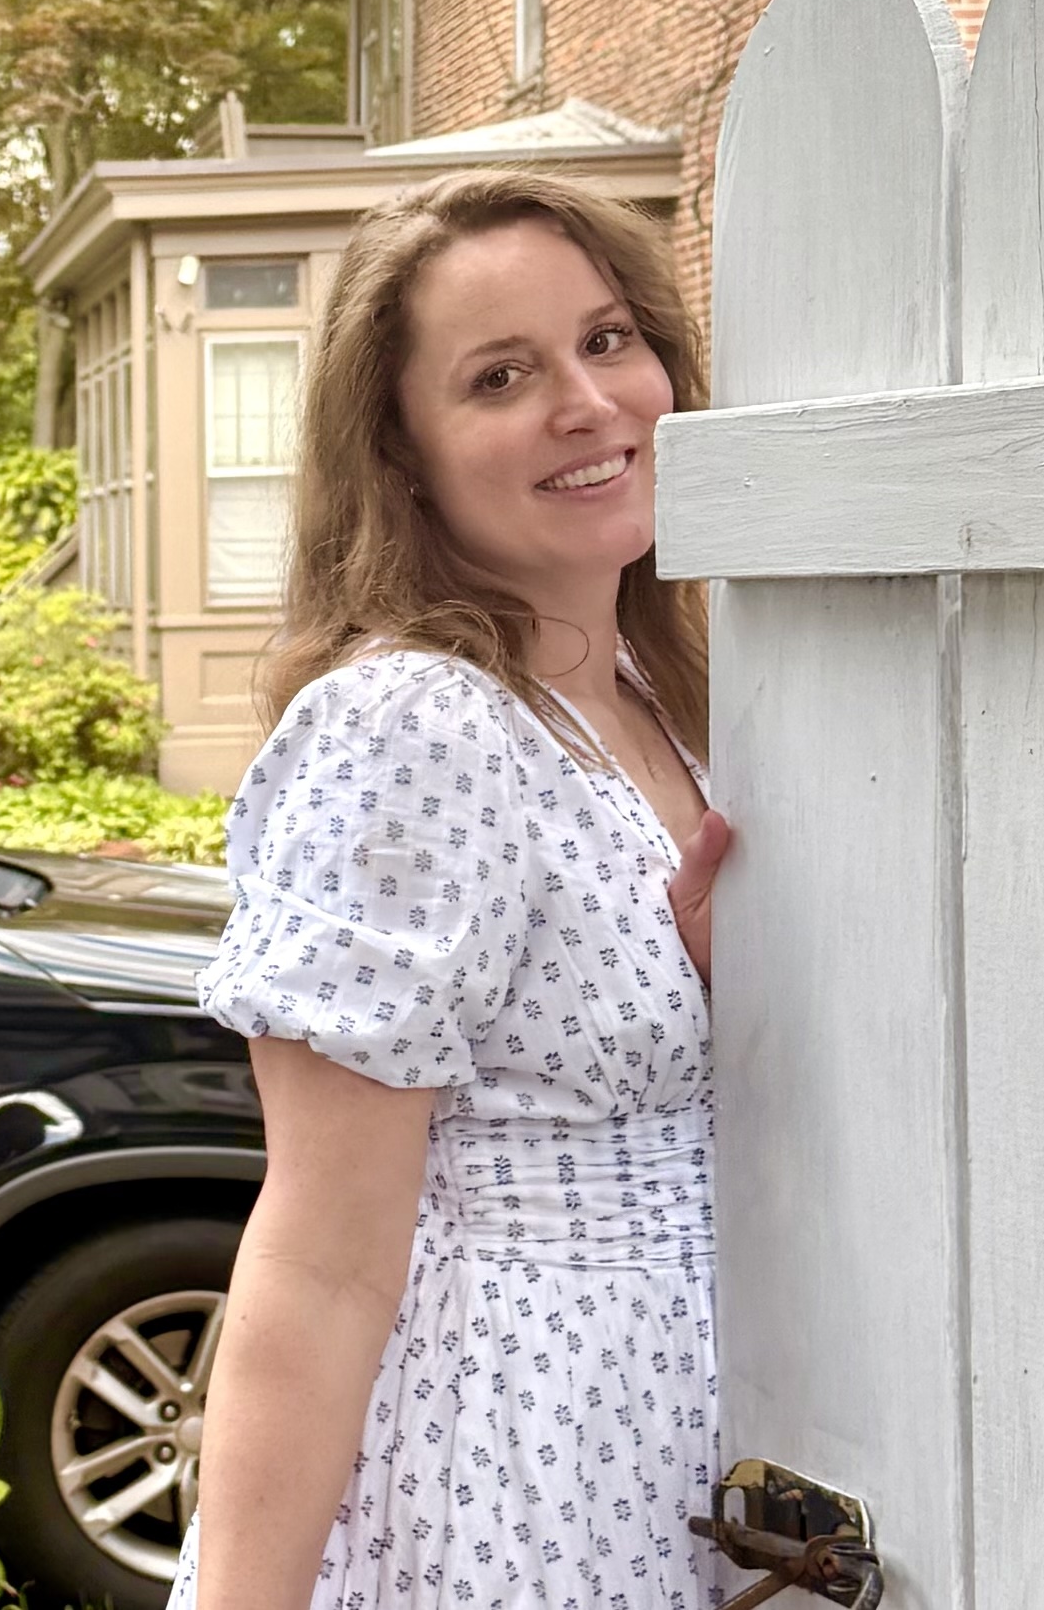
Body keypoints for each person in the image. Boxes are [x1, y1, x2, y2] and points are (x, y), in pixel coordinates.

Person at [169, 169, 731, 1610]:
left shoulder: (659, 695)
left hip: (689, 1451)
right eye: (501, 376)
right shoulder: (412, 724)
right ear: (403, 457)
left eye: (607, 340)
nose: (586, 403)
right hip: (517, 1470)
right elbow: (321, 1261)